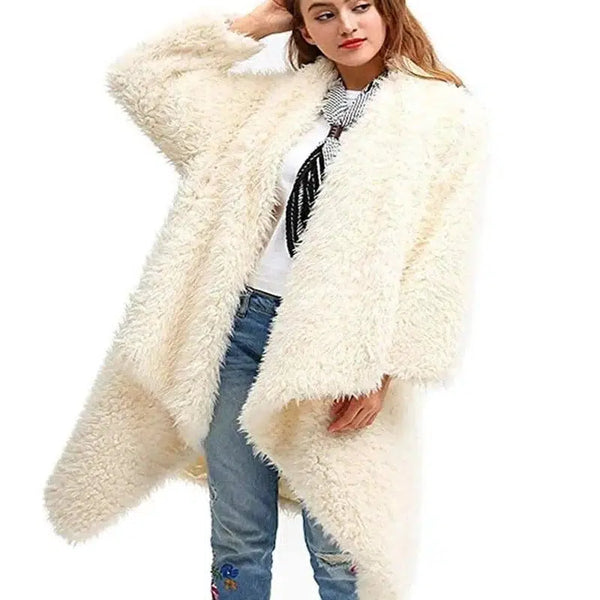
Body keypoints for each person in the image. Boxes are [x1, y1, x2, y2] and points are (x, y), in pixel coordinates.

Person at [44, 1, 490, 599]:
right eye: (324, 13)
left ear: (387, 10)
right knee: (238, 535)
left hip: (339, 347)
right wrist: (258, 23)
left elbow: (441, 258)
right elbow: (141, 79)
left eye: (360, 6)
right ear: (303, 27)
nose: (347, 25)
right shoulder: (275, 105)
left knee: (339, 543)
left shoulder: (444, 116)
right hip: (236, 330)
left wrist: (383, 370)